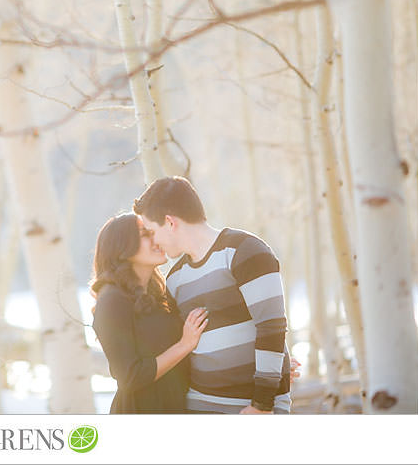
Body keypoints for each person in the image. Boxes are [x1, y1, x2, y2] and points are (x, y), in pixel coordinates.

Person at [133, 176, 292, 414]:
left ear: (169, 222)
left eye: (152, 231)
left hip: (253, 408)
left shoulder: (245, 251)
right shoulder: (175, 278)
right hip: (199, 406)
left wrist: (262, 403)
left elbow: (272, 328)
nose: (153, 241)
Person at [90, 212, 209, 413]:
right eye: (145, 234)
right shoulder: (112, 300)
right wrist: (184, 345)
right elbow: (130, 376)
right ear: (122, 247)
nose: (157, 239)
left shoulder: (160, 294)